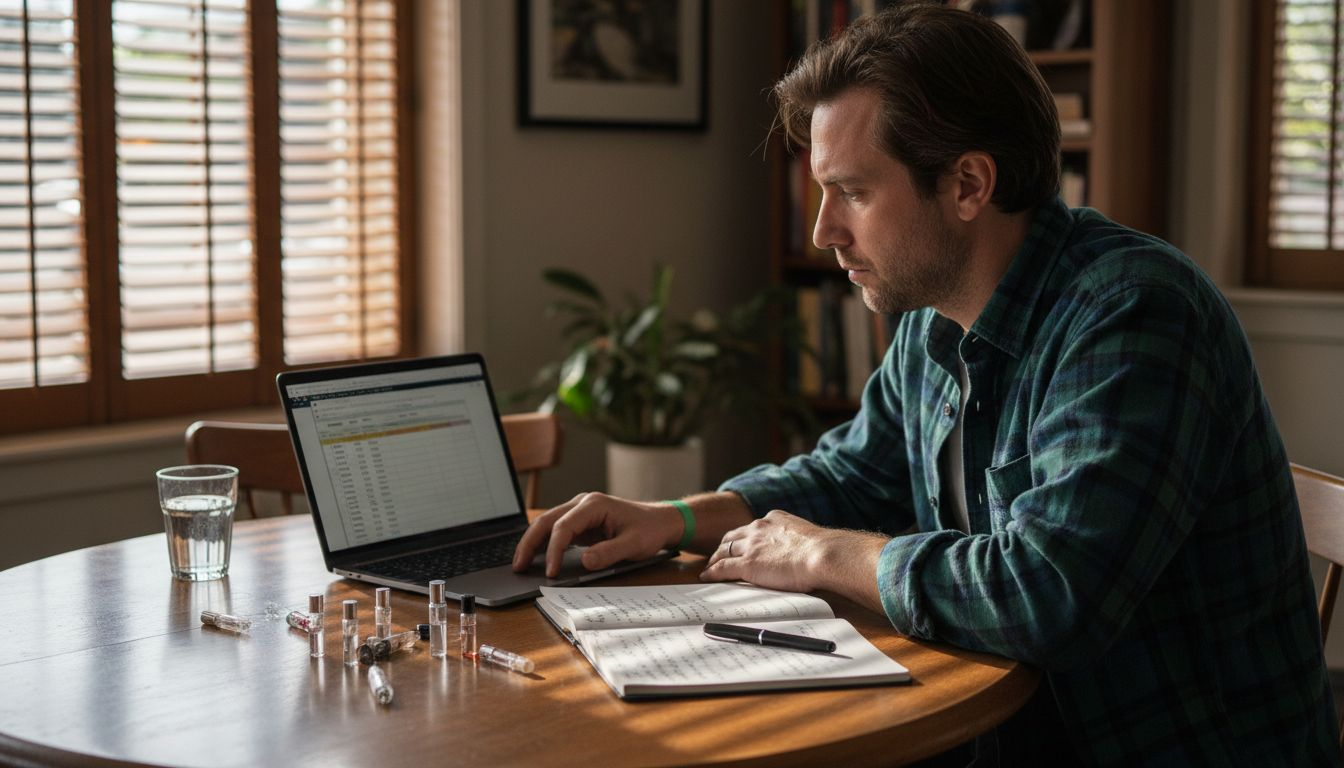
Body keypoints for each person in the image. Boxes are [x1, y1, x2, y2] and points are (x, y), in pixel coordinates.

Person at [514, 2, 1340, 764]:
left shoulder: (1135, 314)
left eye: (852, 192)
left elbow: (1050, 595)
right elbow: (854, 474)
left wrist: (820, 552)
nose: (823, 231)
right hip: (1001, 734)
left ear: (969, 185)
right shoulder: (933, 311)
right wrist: (676, 518)